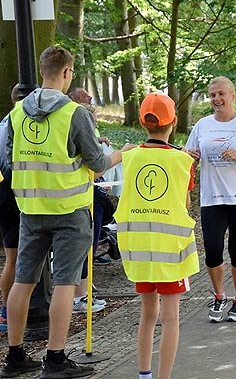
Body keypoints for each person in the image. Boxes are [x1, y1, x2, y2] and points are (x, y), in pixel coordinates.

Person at [0, 46, 133, 379]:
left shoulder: (16, 113)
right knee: (64, 283)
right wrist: (122, 154)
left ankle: (14, 357)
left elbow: (9, 161)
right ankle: (55, 360)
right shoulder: (75, 113)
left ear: (43, 70)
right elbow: (98, 164)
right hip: (69, 210)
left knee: (22, 279)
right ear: (66, 72)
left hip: (30, 209)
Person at [115, 92, 200, 379]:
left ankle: (144, 374)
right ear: (173, 122)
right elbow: (185, 204)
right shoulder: (182, 161)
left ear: (142, 121)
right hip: (171, 251)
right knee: (170, 317)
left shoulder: (129, 157)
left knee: (147, 314)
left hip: (139, 250)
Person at [186, 76, 236, 322]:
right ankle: (219, 296)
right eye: (212, 95)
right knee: (212, 250)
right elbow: (191, 158)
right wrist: (189, 156)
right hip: (212, 198)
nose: (217, 99)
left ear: (232, 95)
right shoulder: (202, 125)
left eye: (221, 94)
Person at [68, 87, 111, 314]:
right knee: (86, 247)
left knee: (87, 247)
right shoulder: (77, 123)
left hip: (83, 197)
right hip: (85, 198)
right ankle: (80, 296)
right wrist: (118, 156)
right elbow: (95, 167)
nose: (95, 123)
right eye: (92, 118)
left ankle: (83, 293)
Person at [0, 86, 20, 332]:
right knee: (15, 258)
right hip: (13, 196)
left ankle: (7, 310)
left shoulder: (3, 124)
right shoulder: (18, 124)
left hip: (4, 195)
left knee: (12, 257)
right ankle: (8, 312)